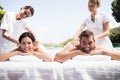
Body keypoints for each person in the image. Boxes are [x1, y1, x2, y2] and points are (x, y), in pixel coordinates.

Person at [54, 30, 120, 63]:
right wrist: (77, 52)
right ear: (80, 41)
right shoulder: (75, 47)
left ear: (94, 42)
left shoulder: (97, 48)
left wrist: (104, 52)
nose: (87, 46)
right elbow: (57, 58)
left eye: (90, 43)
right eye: (84, 42)